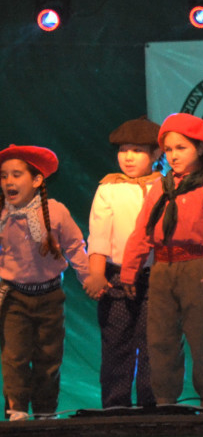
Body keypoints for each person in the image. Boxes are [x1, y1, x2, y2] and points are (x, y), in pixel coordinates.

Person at [120, 113, 203, 406]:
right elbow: (143, 229)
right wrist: (130, 270)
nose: (173, 155)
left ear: (200, 149)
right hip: (162, 268)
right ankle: (165, 400)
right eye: (168, 149)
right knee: (161, 337)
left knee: (201, 337)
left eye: (181, 148)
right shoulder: (161, 186)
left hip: (196, 266)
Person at [0, 144, 94, 420]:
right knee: (14, 357)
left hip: (50, 296)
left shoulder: (55, 211)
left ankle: (45, 413)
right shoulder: (2, 215)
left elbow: (75, 246)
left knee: (49, 357)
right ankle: (16, 410)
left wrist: (89, 278)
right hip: (14, 297)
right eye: (3, 176)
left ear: (37, 180)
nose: (8, 181)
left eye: (16, 175)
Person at [86, 116, 162, 409]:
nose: (128, 157)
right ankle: (115, 407)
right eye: (123, 150)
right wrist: (96, 273)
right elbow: (99, 233)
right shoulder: (109, 187)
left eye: (137, 150)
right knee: (116, 342)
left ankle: (151, 407)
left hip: (156, 276)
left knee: (154, 344)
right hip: (116, 277)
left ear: (156, 154)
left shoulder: (164, 186)